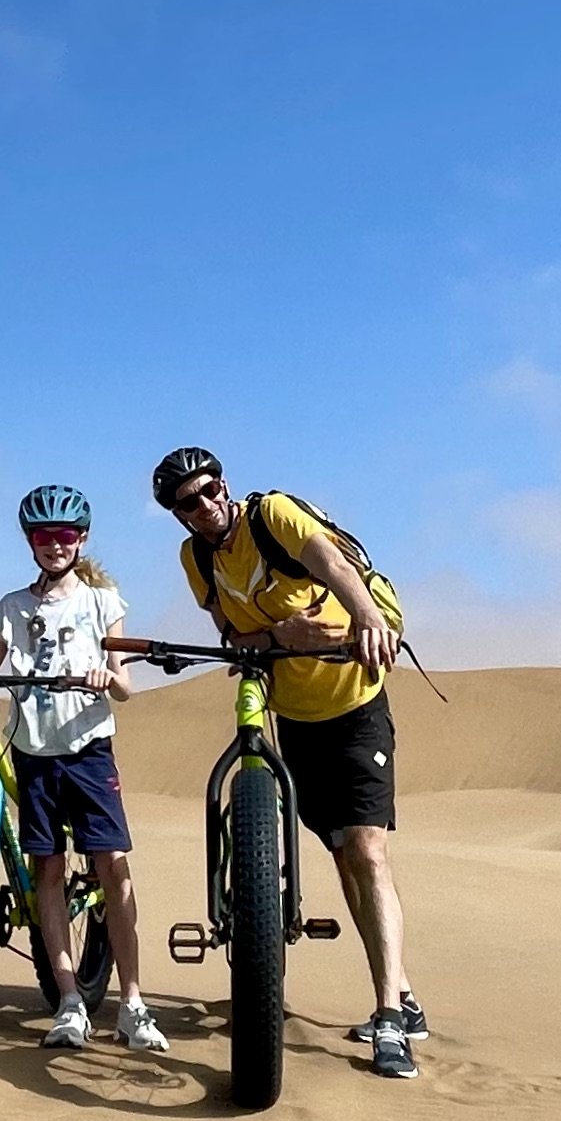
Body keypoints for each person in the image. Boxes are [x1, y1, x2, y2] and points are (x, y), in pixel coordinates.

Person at [150, 445, 422, 1079]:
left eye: (209, 490)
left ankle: (388, 1015)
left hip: (353, 705)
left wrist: (366, 616)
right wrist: (279, 638)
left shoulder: (273, 516)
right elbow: (232, 634)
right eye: (185, 504)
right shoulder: (198, 558)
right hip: (293, 717)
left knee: (367, 849)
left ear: (225, 485)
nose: (203, 506)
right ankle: (402, 992)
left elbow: (328, 560)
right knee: (343, 856)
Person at [0, 484, 166, 1056]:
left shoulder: (104, 602)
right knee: (46, 871)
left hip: (89, 751)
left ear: (82, 539)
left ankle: (132, 1003)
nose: (55, 545)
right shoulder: (11, 607)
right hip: (33, 754)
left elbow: (124, 685)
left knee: (113, 866)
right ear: (30, 541)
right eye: (44, 536)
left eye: (65, 535)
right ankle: (69, 1000)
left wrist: (108, 677)